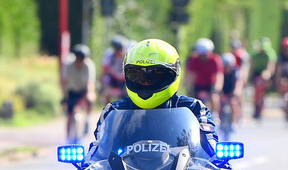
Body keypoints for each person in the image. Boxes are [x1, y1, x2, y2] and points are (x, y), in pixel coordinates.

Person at [87, 39, 219, 163]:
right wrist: (86, 165)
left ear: (173, 75)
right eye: (136, 74)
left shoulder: (194, 107)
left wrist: (218, 160)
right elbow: (99, 149)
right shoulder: (113, 111)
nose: (145, 82)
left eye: (156, 74)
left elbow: (209, 142)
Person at [61, 44, 96, 141]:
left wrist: (88, 96)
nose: (79, 61)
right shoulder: (68, 65)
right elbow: (64, 82)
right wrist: (64, 96)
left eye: (82, 59)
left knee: (90, 99)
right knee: (69, 114)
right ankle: (67, 138)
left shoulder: (89, 65)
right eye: (78, 59)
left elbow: (90, 83)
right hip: (72, 90)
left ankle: (87, 120)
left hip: (83, 90)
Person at [185, 38, 224, 115]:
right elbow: (190, 75)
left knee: (214, 98)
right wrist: (189, 87)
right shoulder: (194, 59)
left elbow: (219, 75)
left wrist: (217, 88)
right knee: (190, 98)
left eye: (204, 54)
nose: (202, 57)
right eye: (201, 54)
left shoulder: (215, 60)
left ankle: (215, 114)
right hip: (198, 84)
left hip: (210, 84)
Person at [250, 37, 277, 119]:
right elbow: (252, 67)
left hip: (266, 73)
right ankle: (256, 107)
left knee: (263, 87)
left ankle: (263, 102)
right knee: (256, 90)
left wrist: (267, 73)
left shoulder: (271, 54)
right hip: (257, 73)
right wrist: (250, 78)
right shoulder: (254, 55)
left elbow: (271, 67)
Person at [101, 35, 128, 104]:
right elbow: (105, 69)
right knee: (106, 82)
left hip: (125, 80)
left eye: (121, 49)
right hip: (113, 79)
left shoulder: (128, 55)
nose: (119, 52)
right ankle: (107, 107)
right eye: (117, 50)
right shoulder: (109, 55)